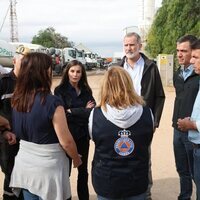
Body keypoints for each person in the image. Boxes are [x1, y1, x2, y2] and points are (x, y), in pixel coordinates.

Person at [9, 52, 82, 200]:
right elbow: (66, 141)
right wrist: (76, 158)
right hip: (48, 171)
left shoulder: (17, 99)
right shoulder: (52, 102)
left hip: (25, 167)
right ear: (43, 72)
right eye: (50, 68)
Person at [89, 66, 154, 200]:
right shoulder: (147, 113)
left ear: (105, 86)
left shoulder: (95, 115)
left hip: (107, 182)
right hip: (136, 181)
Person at [119, 32, 165, 200]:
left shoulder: (150, 66)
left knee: (144, 158)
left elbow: (159, 96)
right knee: (121, 155)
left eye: (132, 44)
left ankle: (146, 193)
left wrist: (155, 121)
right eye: (126, 45)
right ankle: (124, 191)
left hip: (143, 122)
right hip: (120, 121)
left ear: (139, 46)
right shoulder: (116, 67)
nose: (129, 48)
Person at [54, 60, 95, 200]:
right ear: (67, 72)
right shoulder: (59, 91)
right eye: (72, 71)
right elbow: (62, 114)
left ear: (82, 73)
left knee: (83, 171)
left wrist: (73, 111)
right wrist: (83, 110)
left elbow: (92, 112)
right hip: (68, 137)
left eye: (78, 71)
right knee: (65, 172)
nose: (75, 74)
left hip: (83, 136)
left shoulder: (86, 90)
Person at [0, 45, 30, 200]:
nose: (25, 66)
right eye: (22, 62)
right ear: (14, 61)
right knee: (10, 175)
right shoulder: (3, 83)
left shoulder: (32, 84)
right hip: (8, 139)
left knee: (27, 176)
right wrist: (4, 131)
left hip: (28, 140)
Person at [172, 35, 198, 200]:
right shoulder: (178, 73)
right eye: (177, 51)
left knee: (197, 173)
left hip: (194, 132)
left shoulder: (199, 74)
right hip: (178, 130)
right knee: (182, 170)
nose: (179, 54)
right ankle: (184, 197)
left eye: (184, 51)